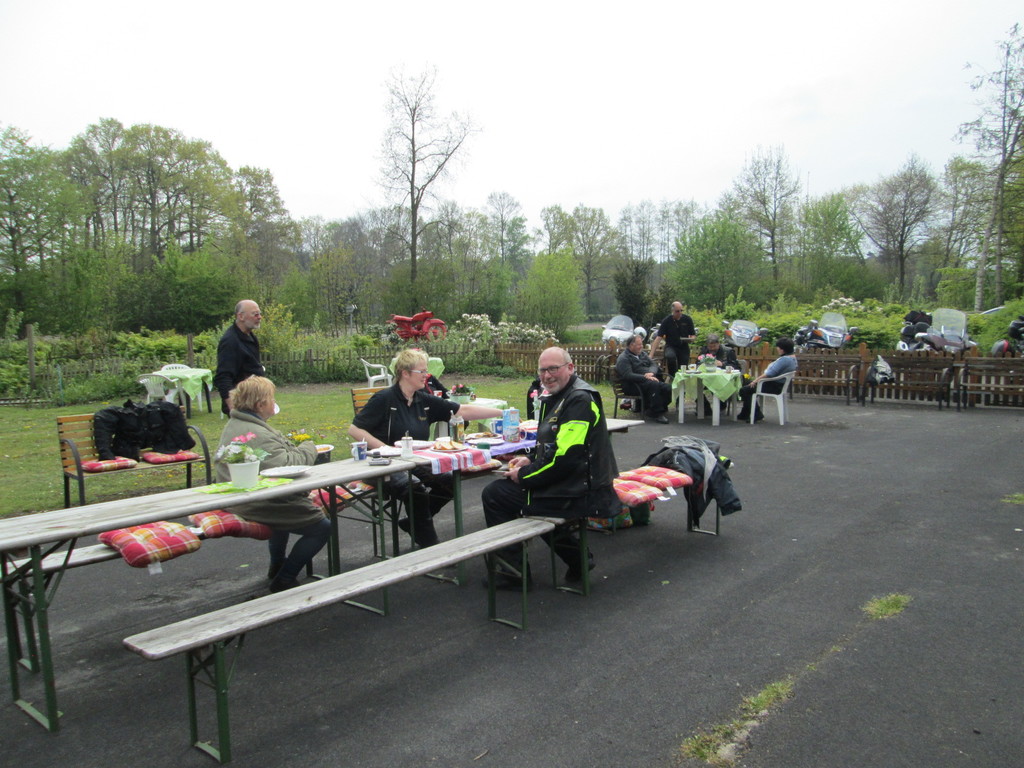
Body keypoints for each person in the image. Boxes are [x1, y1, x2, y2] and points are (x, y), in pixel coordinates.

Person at [480, 347, 619, 590]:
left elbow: (566, 459)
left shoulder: (579, 400)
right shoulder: (559, 396)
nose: (547, 375)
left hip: (584, 491)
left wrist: (523, 476)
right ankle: (578, 559)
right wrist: (530, 459)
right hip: (573, 484)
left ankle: (513, 574)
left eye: (553, 368)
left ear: (570, 368)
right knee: (529, 498)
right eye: (542, 370)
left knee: (496, 494)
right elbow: (553, 446)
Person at [348, 349, 503, 547]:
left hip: (415, 460)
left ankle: (414, 523)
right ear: (405, 373)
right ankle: (430, 543)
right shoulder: (384, 399)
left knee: (449, 480)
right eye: (421, 371)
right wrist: (386, 449)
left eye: (426, 371)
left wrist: (503, 412)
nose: (426, 375)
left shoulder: (423, 399)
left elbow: (462, 410)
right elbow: (355, 429)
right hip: (383, 464)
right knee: (413, 487)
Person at [217, 376, 329, 593]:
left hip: (242, 494)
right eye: (272, 398)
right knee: (321, 527)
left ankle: (277, 564)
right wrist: (309, 447)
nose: (274, 402)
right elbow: (288, 467)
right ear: (260, 405)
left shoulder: (238, 424)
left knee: (285, 518)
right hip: (254, 500)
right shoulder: (256, 433)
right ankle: (285, 578)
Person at [214, 300, 266, 415]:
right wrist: (233, 408)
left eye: (259, 314)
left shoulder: (250, 336)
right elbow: (223, 377)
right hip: (241, 403)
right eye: (255, 314)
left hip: (254, 400)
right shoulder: (230, 341)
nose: (259, 317)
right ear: (241, 316)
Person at [736, 338, 798, 422]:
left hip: (774, 386)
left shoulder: (785, 360)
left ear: (782, 349)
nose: (777, 349)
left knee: (744, 390)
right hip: (779, 385)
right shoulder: (793, 358)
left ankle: (756, 414)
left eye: (778, 347)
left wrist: (755, 380)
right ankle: (745, 414)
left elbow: (770, 373)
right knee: (747, 386)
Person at [615, 333, 672, 424]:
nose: (641, 346)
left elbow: (653, 365)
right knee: (655, 385)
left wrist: (651, 373)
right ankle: (657, 413)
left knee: (668, 388)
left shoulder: (642, 354)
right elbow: (628, 375)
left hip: (646, 382)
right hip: (632, 385)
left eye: (641, 344)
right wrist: (645, 377)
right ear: (631, 345)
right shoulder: (624, 358)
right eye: (639, 345)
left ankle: (652, 410)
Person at [651, 301, 696, 379]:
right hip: (671, 345)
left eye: (681, 311)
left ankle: (681, 381)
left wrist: (691, 339)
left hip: (683, 346)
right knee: (670, 356)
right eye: (677, 311)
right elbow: (659, 337)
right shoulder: (666, 321)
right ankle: (672, 377)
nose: (679, 313)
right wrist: (651, 354)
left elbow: (693, 335)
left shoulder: (687, 319)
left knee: (683, 367)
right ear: (672, 311)